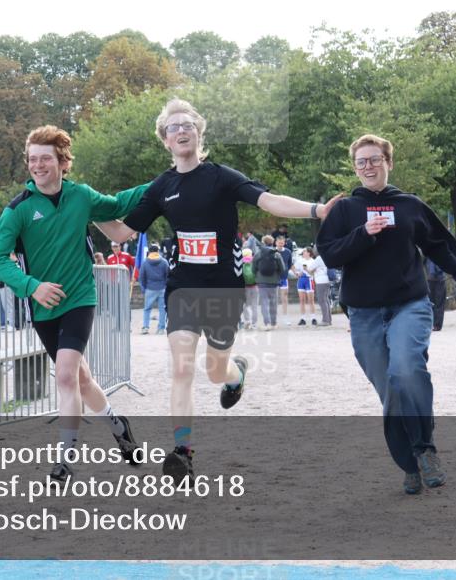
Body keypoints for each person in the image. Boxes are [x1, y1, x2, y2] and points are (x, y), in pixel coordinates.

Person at [96, 98, 340, 484]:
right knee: (180, 368)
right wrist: (85, 208)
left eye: (188, 124)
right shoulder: (163, 186)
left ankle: (234, 373)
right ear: (165, 139)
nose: (181, 130)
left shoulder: (222, 176)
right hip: (184, 288)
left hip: (224, 288)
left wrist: (317, 209)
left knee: (214, 371)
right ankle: (183, 452)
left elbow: (271, 201)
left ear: (199, 133)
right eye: (174, 126)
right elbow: (124, 232)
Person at [317, 133, 456, 495]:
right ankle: (409, 464)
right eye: (361, 161)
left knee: (407, 371)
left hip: (409, 304)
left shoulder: (410, 205)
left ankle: (425, 449)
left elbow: (439, 244)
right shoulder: (345, 210)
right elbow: (330, 253)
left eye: (375, 159)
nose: (368, 167)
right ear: (354, 167)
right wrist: (362, 234)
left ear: (389, 162)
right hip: (363, 313)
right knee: (391, 393)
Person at [0, 124, 149, 483]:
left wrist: (166, 183)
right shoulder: (18, 210)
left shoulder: (81, 196)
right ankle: (118, 425)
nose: (38, 165)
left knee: (63, 375)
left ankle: (65, 458)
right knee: (82, 378)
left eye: (45, 158)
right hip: (43, 306)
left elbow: (120, 204)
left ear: (62, 161)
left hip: (79, 296)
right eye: (32, 159)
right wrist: (32, 287)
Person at [253, 235, 284, 330]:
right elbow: (282, 268)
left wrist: (257, 276)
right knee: (274, 303)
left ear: (263, 242)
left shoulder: (258, 253)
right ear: (272, 242)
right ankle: (274, 323)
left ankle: (267, 324)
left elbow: (253, 268)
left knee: (264, 303)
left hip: (262, 282)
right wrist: (277, 275)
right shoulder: (276, 254)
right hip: (274, 282)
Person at [138, 243, 169, 335]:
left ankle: (145, 327)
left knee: (147, 309)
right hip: (162, 288)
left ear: (149, 251)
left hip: (150, 288)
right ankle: (161, 329)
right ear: (158, 251)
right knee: (162, 309)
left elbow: (141, 277)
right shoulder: (164, 261)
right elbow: (168, 275)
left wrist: (144, 288)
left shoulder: (145, 262)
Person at [308, 248, 332, 326]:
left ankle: (325, 320)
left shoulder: (318, 258)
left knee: (322, 300)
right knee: (326, 300)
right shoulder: (326, 256)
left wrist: (313, 270)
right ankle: (329, 319)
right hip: (326, 280)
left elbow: (310, 268)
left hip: (320, 281)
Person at [294, 247, 317, 326]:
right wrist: (297, 273)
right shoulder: (300, 261)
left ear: (309, 253)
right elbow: (295, 269)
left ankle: (313, 318)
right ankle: (303, 318)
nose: (303, 253)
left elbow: (313, 273)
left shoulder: (313, 261)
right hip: (301, 280)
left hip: (309, 280)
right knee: (302, 300)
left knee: (311, 300)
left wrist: (306, 270)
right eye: (303, 252)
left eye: (305, 252)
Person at [275, 235, 294, 325]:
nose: (280, 244)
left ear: (284, 243)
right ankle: (274, 317)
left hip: (284, 277)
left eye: (282, 242)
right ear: (276, 242)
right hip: (274, 278)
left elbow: (290, 264)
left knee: (284, 298)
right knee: (274, 298)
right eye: (279, 242)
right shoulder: (272, 251)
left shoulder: (288, 252)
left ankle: (285, 317)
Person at [425, 256, 446, 331]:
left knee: (439, 303)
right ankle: (432, 323)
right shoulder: (427, 253)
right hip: (430, 279)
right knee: (431, 303)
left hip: (439, 279)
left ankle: (437, 325)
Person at [239, 248, 258, 331]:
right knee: (254, 306)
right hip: (254, 287)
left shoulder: (241, 263)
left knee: (245, 305)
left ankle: (247, 321)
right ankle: (254, 323)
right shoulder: (254, 263)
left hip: (245, 287)